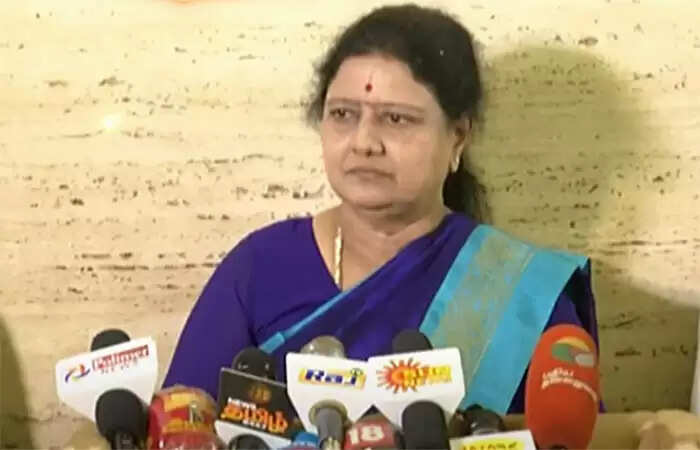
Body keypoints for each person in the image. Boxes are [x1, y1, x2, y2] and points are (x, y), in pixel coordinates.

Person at [162, 3, 600, 415]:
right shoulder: (261, 267)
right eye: (343, 115)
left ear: (458, 137)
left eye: (396, 119)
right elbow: (179, 425)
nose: (363, 142)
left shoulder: (518, 295)